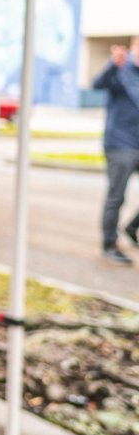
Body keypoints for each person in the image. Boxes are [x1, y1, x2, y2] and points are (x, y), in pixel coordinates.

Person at [92, 37, 139, 265]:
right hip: (120, 144)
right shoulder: (120, 69)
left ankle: (132, 227)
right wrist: (112, 64)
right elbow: (97, 84)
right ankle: (109, 245)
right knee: (117, 196)